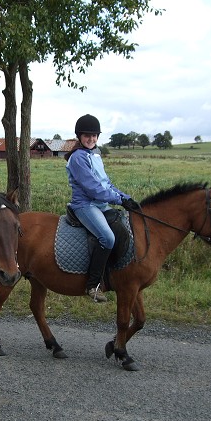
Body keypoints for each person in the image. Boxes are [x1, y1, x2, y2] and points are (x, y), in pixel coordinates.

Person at [65, 114, 140, 303]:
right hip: (85, 205)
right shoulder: (77, 158)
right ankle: (93, 285)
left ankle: (115, 275)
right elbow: (94, 189)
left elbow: (107, 184)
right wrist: (119, 200)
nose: (91, 139)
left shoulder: (96, 155)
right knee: (107, 237)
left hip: (101, 204)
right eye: (87, 135)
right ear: (80, 137)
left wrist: (127, 198)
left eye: (94, 136)